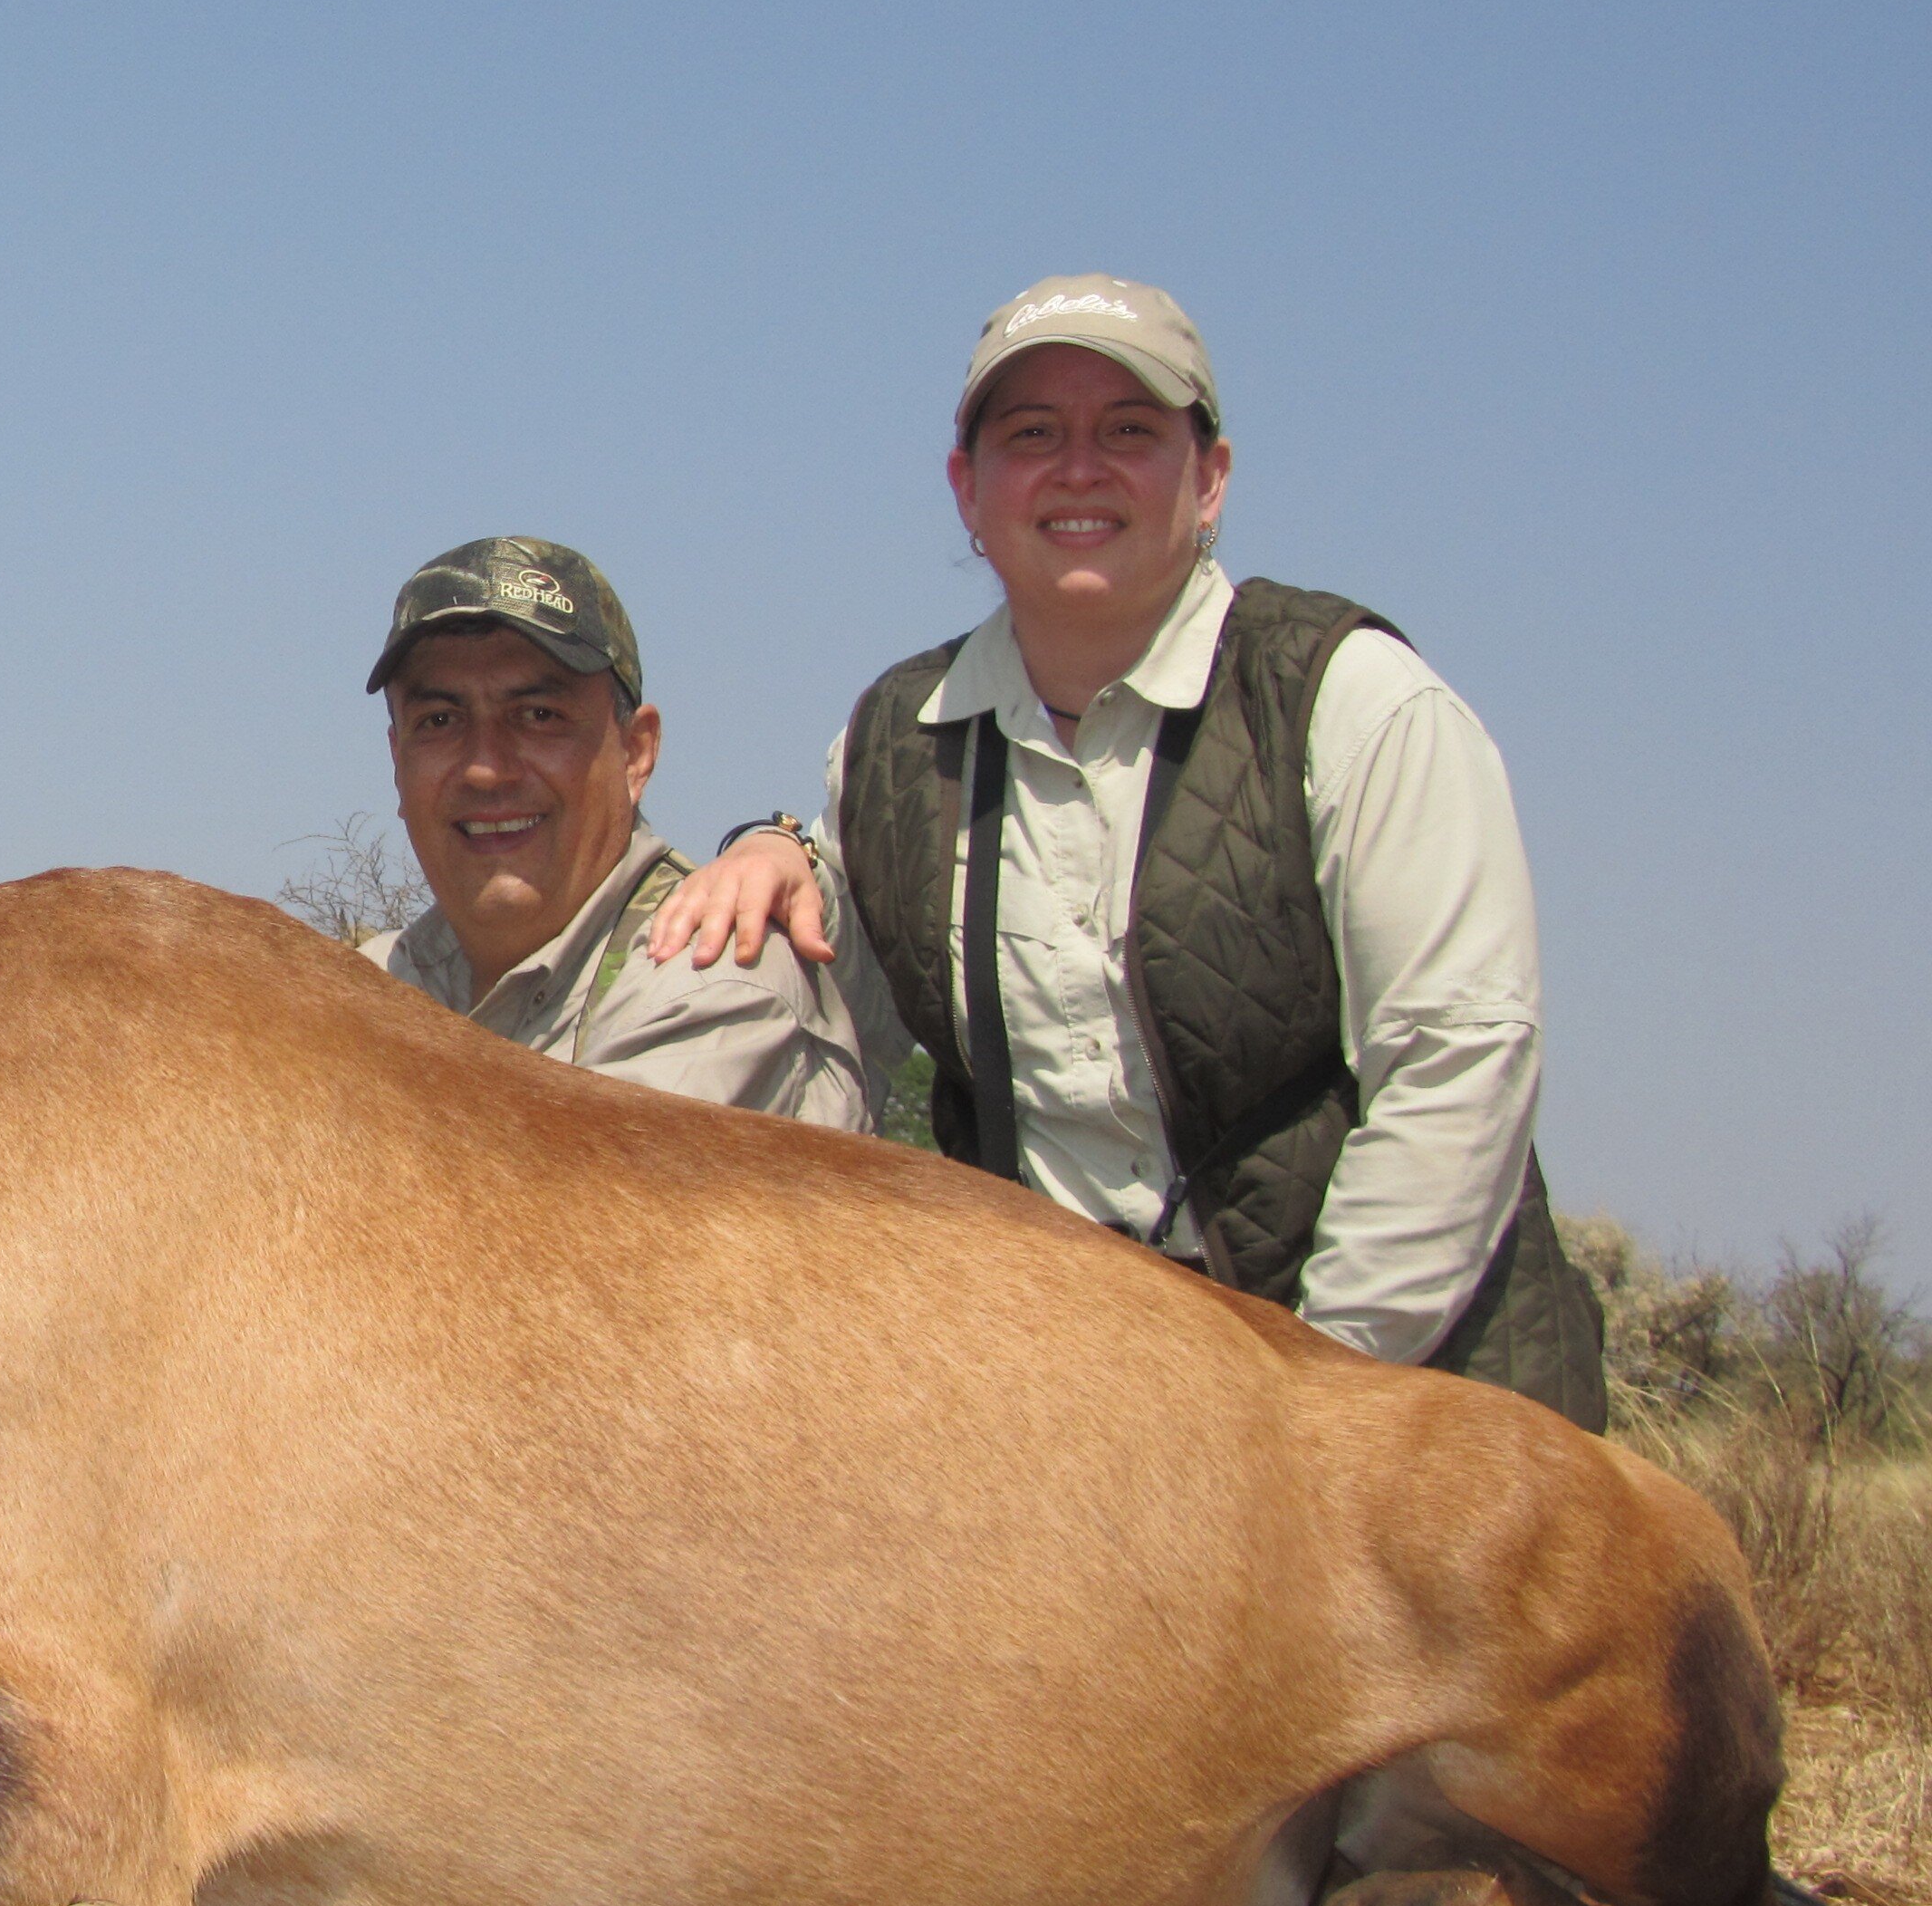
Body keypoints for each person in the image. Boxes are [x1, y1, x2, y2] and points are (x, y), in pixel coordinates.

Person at [647, 276, 1605, 1423]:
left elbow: (1459, 1061)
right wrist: (775, 846)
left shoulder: (1351, 699)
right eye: (1031, 435)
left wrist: (1303, 1395)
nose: (1079, 467)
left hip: (1392, 1411)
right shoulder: (895, 742)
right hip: (1068, 1414)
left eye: (1131, 432)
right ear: (966, 487)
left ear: (1211, 478)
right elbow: (830, 1036)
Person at [358, 535, 870, 1128]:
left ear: (635, 752)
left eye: (539, 716)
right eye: (440, 720)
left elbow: (536, 1215)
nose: (485, 768)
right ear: (398, 760)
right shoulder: (370, 985)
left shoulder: (716, 982)